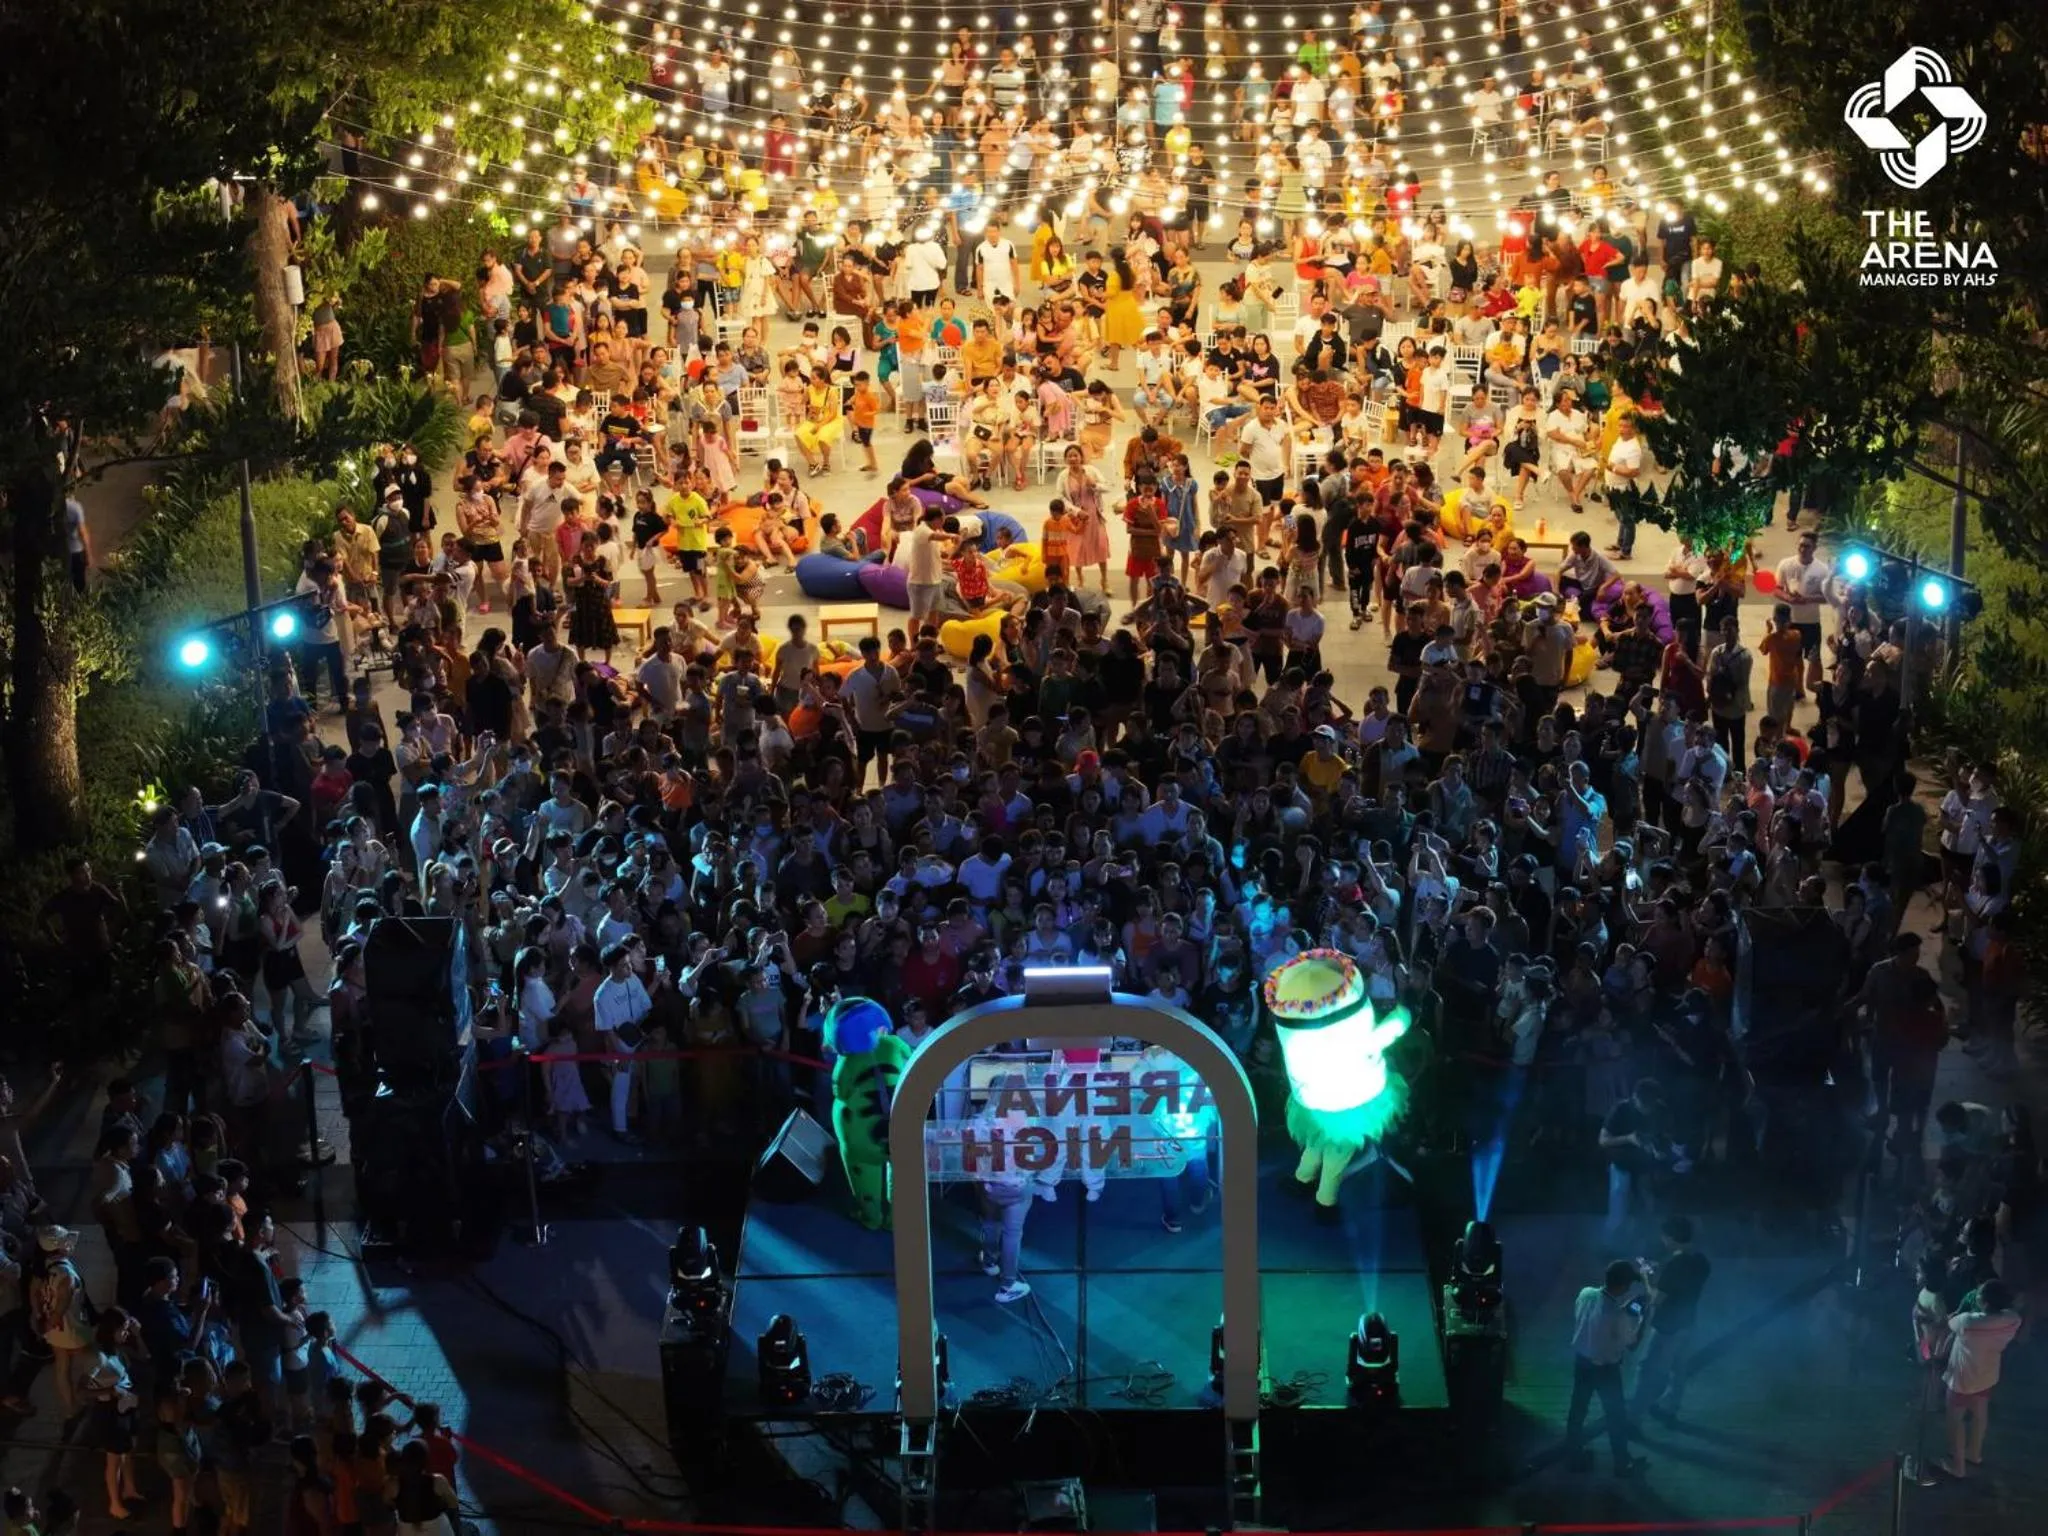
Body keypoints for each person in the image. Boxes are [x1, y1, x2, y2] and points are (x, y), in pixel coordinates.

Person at [1563, 1259, 1650, 1476]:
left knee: (1577, 1411)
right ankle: (1622, 1464)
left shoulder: (1586, 1293)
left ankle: (1573, 1457)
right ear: (1625, 1286)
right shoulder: (1618, 1316)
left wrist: (1624, 1308)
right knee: (1616, 1415)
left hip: (1581, 1362)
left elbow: (1597, 1317)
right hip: (1605, 1370)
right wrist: (1642, 1318)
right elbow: (1632, 1344)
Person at [1939, 1280, 2021, 1479]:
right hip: (1987, 1374)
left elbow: (1949, 1322)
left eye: (1979, 1295)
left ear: (1984, 1302)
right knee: (1979, 1415)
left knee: (1955, 1420)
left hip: (1962, 1376)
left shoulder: (1968, 1321)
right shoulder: (2012, 1319)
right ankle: (1974, 1454)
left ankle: (1957, 1467)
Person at [1632, 1215, 1711, 1421]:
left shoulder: (1674, 1266)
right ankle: (1670, 1408)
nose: (1663, 1241)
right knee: (1678, 1369)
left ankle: (1633, 1417)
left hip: (1667, 1327)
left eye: (1664, 1237)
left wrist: (1648, 1279)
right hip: (1688, 1323)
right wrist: (1662, 1271)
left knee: (1647, 1369)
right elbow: (1683, 1283)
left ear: (1671, 1238)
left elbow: (1657, 1300)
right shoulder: (1701, 1261)